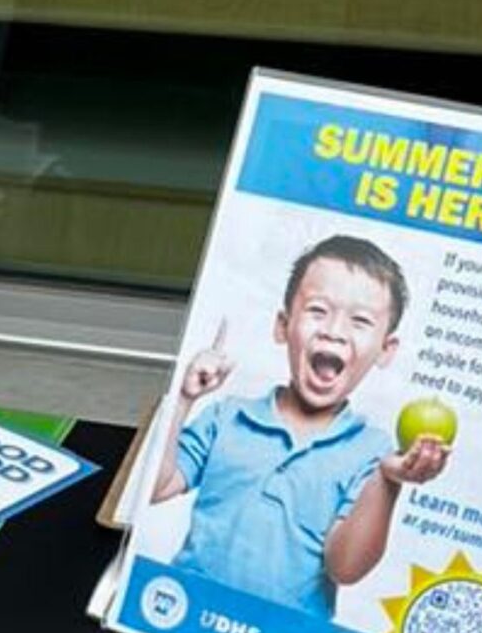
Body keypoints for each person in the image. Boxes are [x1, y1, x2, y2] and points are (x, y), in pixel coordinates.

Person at [149, 235, 451, 613]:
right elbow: (155, 487)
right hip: (183, 610)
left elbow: (346, 568)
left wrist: (388, 481)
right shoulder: (229, 415)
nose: (334, 331)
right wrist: (183, 398)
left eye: (360, 321)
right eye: (318, 310)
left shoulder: (373, 452)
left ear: (385, 350)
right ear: (283, 325)